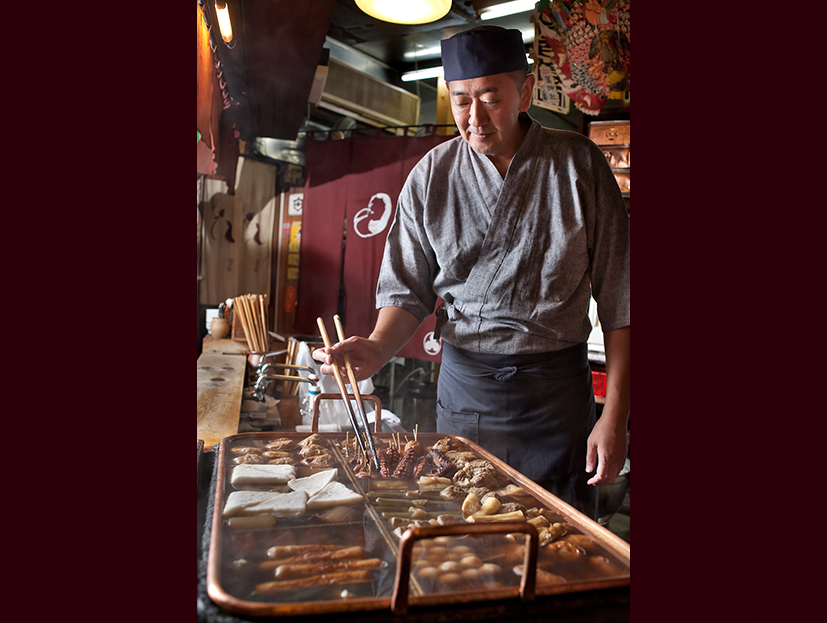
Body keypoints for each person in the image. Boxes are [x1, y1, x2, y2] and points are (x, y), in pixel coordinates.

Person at [313, 25, 629, 519]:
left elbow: (621, 303)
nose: (474, 118)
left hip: (556, 398)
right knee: (462, 536)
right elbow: (407, 288)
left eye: (490, 98)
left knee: (557, 544)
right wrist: (376, 347)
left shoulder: (578, 165)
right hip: (468, 389)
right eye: (461, 100)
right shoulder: (432, 175)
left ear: (524, 92)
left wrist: (615, 415)